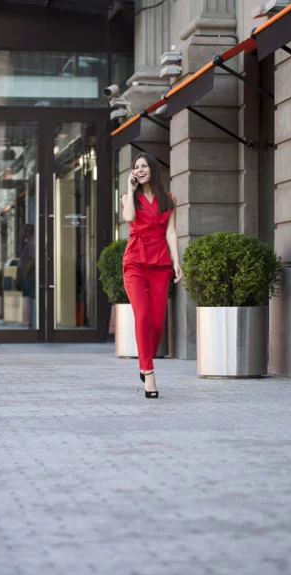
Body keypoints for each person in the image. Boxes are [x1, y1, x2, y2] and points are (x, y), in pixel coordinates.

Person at [122, 152, 182, 398]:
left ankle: (145, 359)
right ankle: (148, 372)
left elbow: (172, 232)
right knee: (143, 315)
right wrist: (129, 186)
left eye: (144, 165)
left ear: (153, 169)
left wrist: (177, 262)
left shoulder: (169, 199)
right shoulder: (129, 198)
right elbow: (129, 218)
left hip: (160, 263)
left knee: (157, 324)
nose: (140, 170)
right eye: (136, 167)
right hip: (135, 261)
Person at [17, 223, 36, 329]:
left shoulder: (32, 244)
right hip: (29, 277)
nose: (23, 234)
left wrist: (23, 275)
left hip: (30, 277)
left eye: (24, 232)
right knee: (30, 299)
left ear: (28, 232)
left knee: (30, 300)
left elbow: (32, 261)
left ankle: (32, 323)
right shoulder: (30, 244)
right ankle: (31, 323)